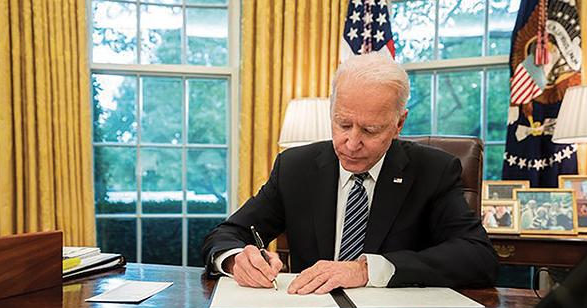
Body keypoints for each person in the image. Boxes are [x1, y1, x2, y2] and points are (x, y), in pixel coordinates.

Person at [202, 53, 498, 294]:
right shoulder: (296, 167)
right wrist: (234, 260)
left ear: (399, 123)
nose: (352, 143)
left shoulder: (434, 170)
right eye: (343, 124)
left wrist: (367, 269)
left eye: (370, 130)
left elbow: (478, 258)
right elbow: (226, 234)